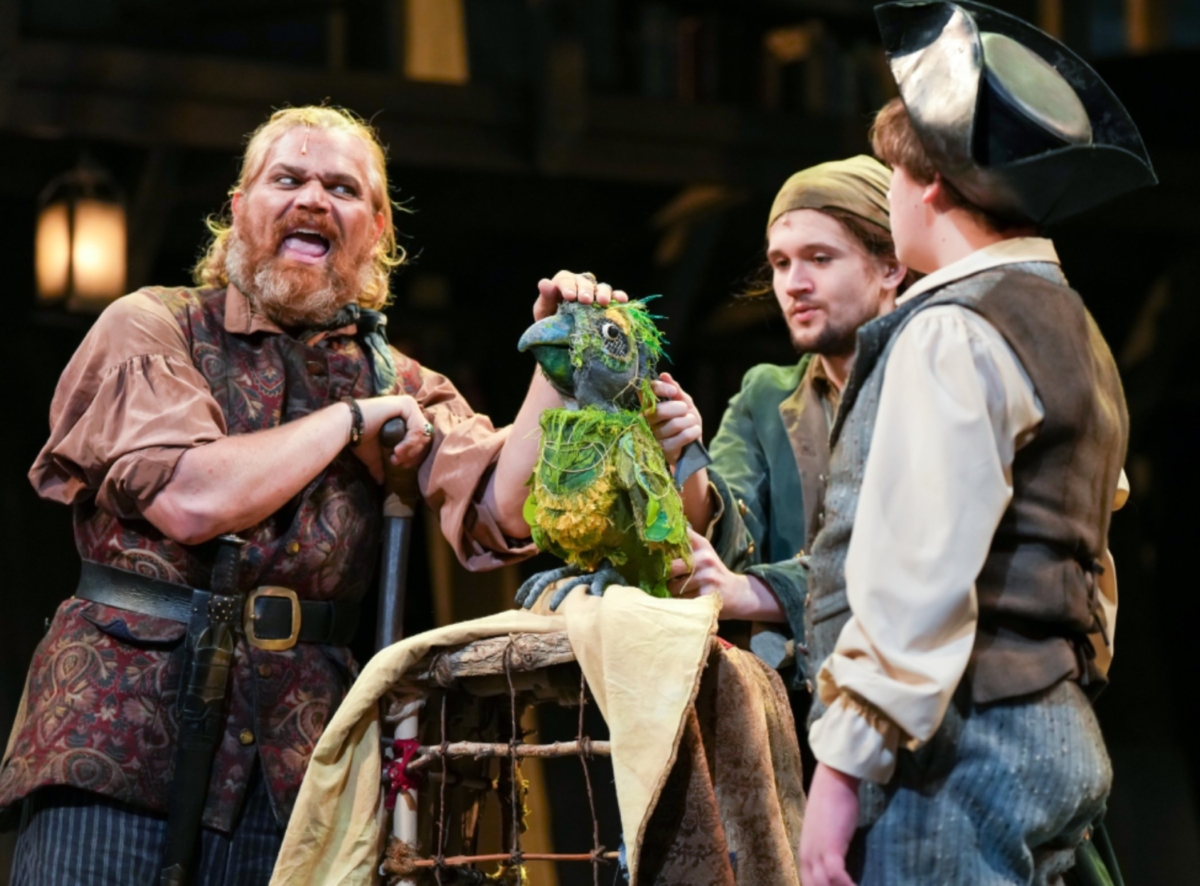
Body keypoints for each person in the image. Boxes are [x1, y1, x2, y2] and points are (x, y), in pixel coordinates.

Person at [0, 105, 620, 885]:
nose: (313, 200)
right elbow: (191, 499)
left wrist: (556, 360)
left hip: (300, 767)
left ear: (377, 226)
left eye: (342, 188)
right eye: (287, 179)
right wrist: (348, 422)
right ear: (238, 209)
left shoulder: (398, 379)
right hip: (122, 742)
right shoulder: (154, 327)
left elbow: (502, 509)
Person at [796, 4, 1155, 885]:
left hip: (955, 747)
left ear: (927, 187)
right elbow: (1090, 563)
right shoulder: (1071, 326)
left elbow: (920, 570)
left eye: (888, 179)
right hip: (1052, 726)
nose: (887, 199)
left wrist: (840, 772)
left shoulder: (953, 330)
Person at [649, 156, 907, 684]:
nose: (794, 283)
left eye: (819, 257)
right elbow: (727, 541)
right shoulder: (765, 396)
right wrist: (683, 455)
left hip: (918, 699)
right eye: (782, 263)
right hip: (799, 708)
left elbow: (901, 553)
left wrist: (750, 592)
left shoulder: (938, 387)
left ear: (891, 265)